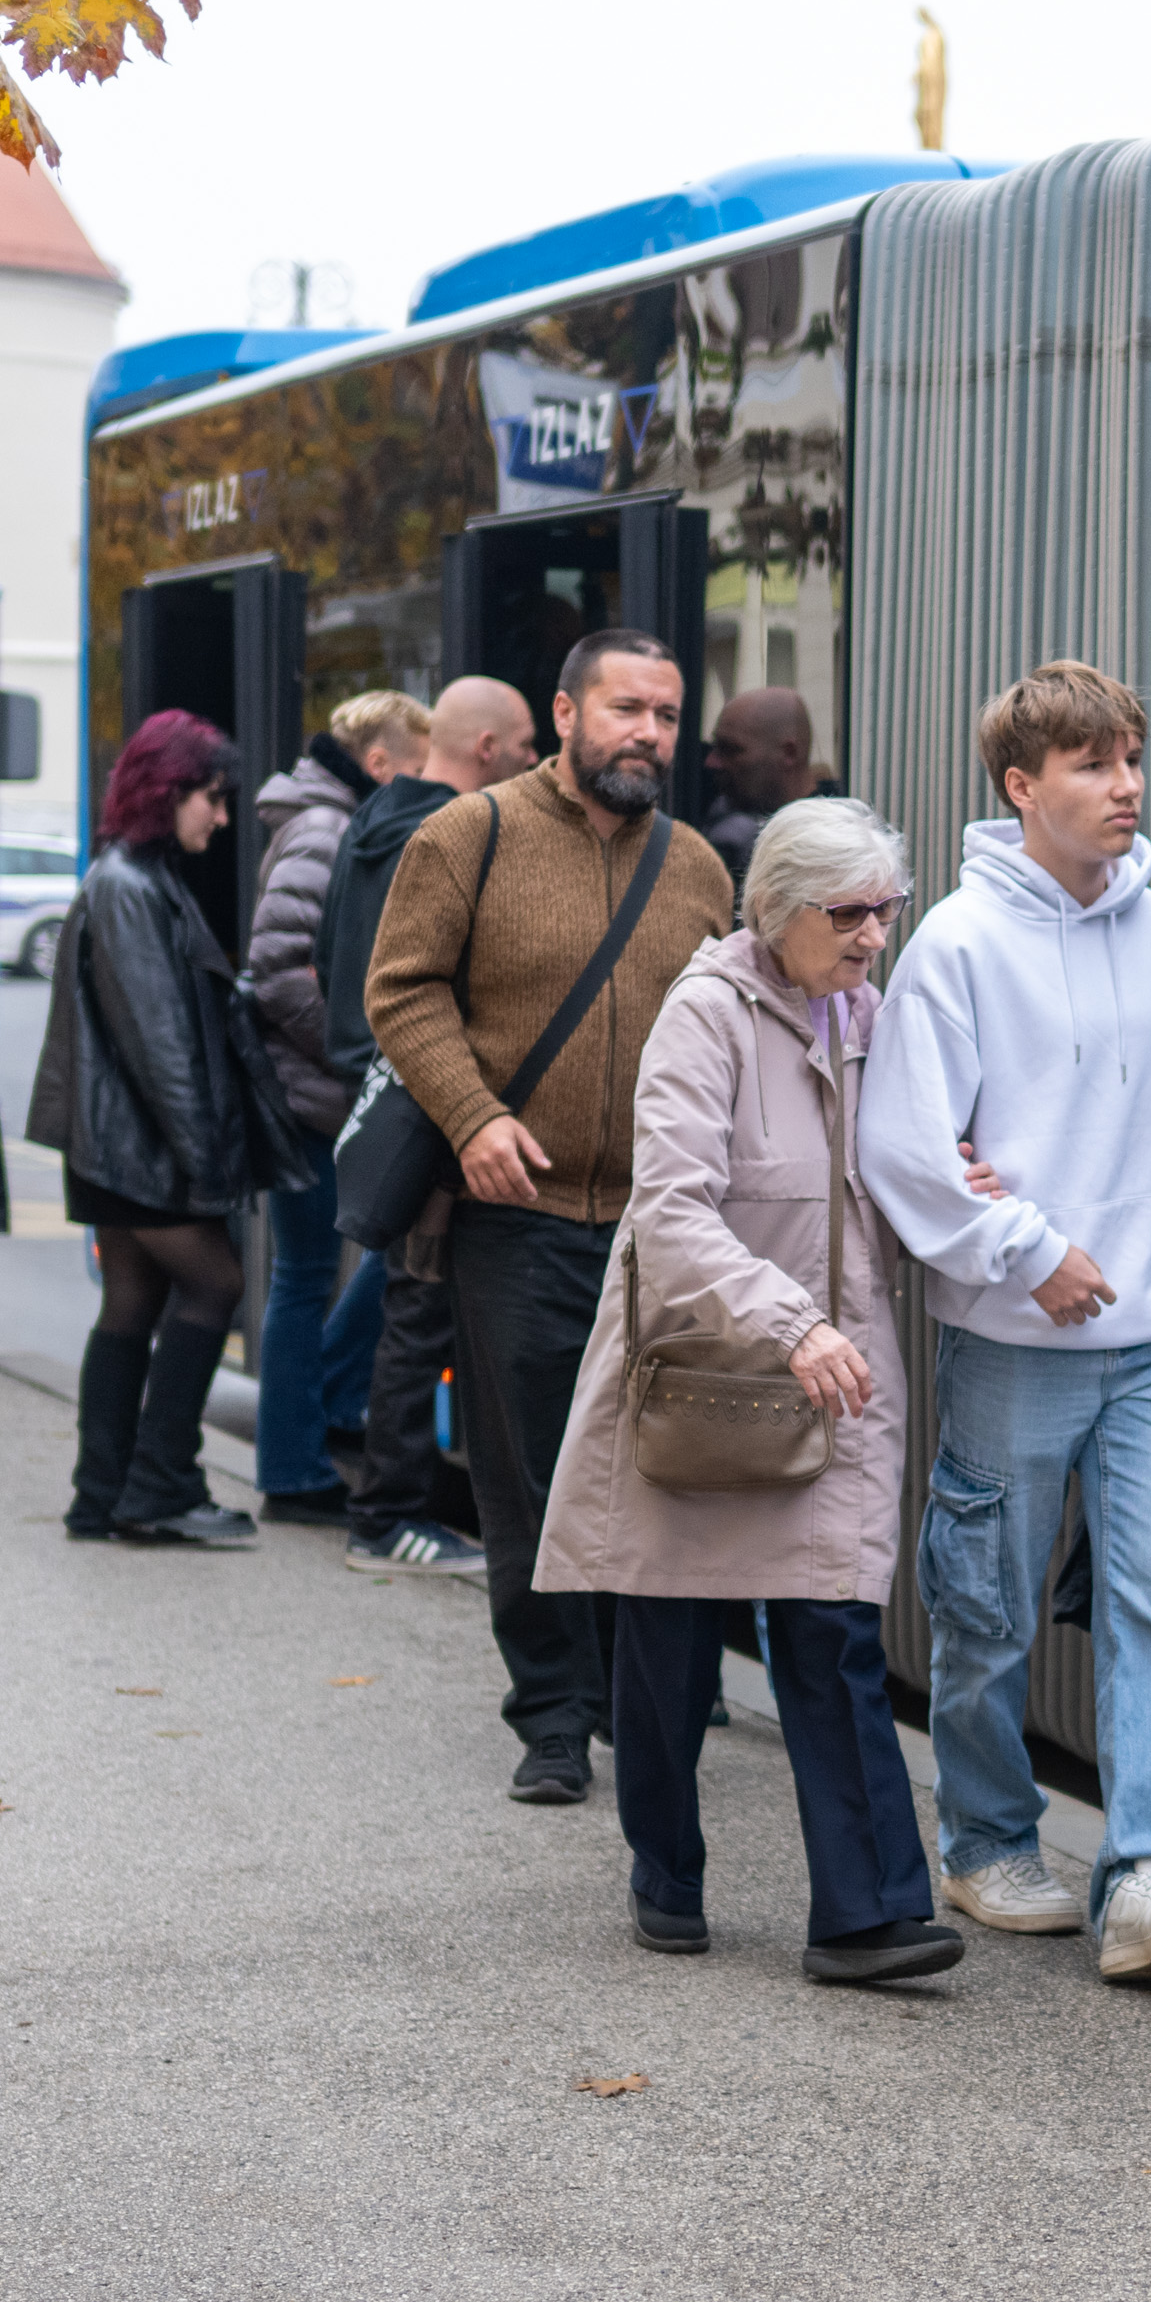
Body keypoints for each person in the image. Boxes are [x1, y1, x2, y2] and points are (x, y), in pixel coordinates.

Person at [861, 659, 1151, 1984]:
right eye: (1092, 764)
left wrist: (1127, 1257)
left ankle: (1148, 1875)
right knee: (989, 1615)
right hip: (1015, 1342)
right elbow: (906, 1152)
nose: (1126, 785)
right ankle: (983, 1839)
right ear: (1021, 786)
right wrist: (1029, 1250)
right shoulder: (956, 947)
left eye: (1131, 758)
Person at [538, 796, 957, 1981]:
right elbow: (670, 1215)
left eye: (888, 909)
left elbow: (892, 1174)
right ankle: (665, 1873)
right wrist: (792, 1322)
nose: (875, 934)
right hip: (709, 1368)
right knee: (668, 1641)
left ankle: (866, 1914)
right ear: (774, 911)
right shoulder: (704, 1014)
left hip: (829, 1378)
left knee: (831, 1628)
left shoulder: (867, 1014)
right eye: (851, 913)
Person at [369, 634, 735, 1803]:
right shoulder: (464, 836)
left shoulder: (697, 870)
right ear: (565, 713)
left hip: (657, 1223)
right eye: (628, 710)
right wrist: (473, 1118)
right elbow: (402, 990)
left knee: (651, 1465)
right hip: (514, 1214)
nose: (649, 736)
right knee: (527, 1472)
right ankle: (553, 1716)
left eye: (668, 717)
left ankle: (639, 1698)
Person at [31, 710, 313, 1544]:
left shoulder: (126, 874)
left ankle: (104, 1490)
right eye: (211, 799)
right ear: (168, 791)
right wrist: (209, 1164)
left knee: (131, 1301)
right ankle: (157, 1484)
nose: (221, 819)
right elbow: (161, 1042)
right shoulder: (129, 884)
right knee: (216, 1284)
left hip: (115, 1144)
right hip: (141, 1148)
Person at [318, 676, 534, 1579]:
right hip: (432, 1107)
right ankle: (389, 1509)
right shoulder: (449, 839)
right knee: (420, 1309)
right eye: (525, 748)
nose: (533, 766)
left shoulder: (366, 826)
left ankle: (381, 1493)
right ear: (486, 749)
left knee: (404, 1299)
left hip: (380, 1092)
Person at [247, 689, 430, 1524]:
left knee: (341, 1267)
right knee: (310, 1276)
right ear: (383, 763)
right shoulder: (326, 832)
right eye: (420, 768)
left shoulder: (330, 824)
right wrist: (355, 1053)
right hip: (311, 1097)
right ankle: (292, 1466)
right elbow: (279, 966)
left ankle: (314, 1421)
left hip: (317, 1091)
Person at [698, 685, 826, 888]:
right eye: (716, 748)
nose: (712, 762)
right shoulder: (722, 818)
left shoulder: (831, 845)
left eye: (731, 750)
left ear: (788, 754)